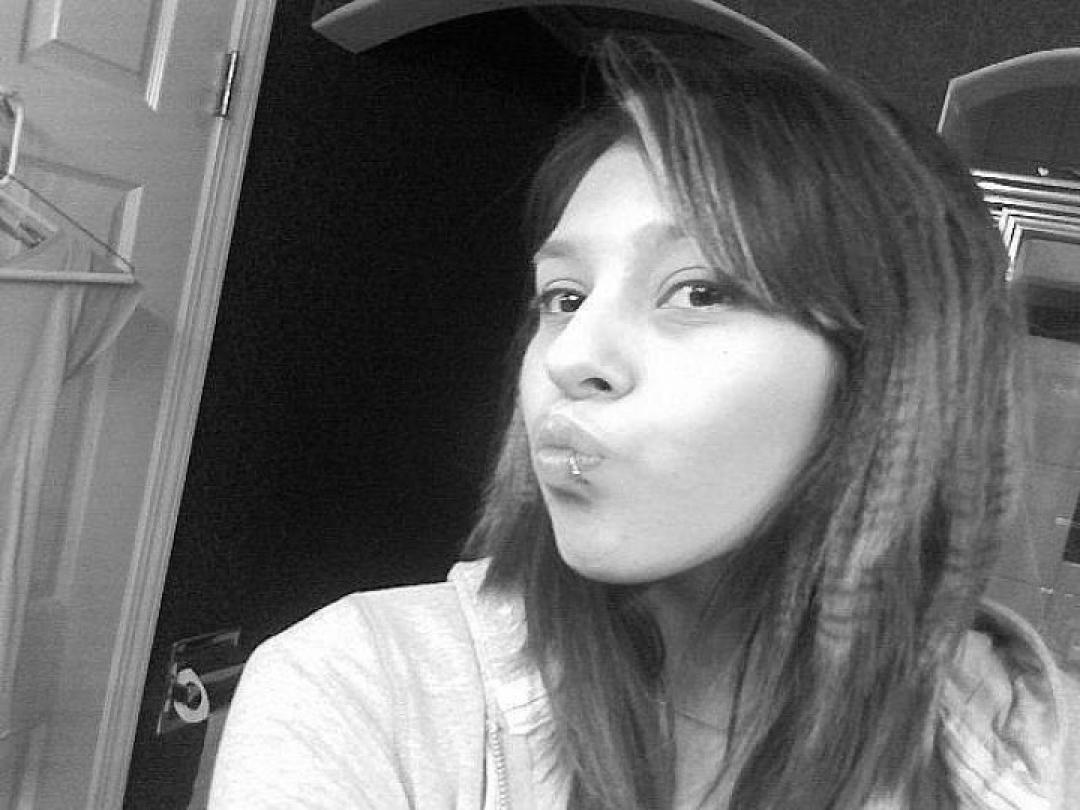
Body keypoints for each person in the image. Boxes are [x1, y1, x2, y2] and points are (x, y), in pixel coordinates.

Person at [208, 33, 1080, 809]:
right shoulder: (364, 691)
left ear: (891, 367)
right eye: (563, 296)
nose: (571, 356)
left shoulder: (1045, 753)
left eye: (699, 290)